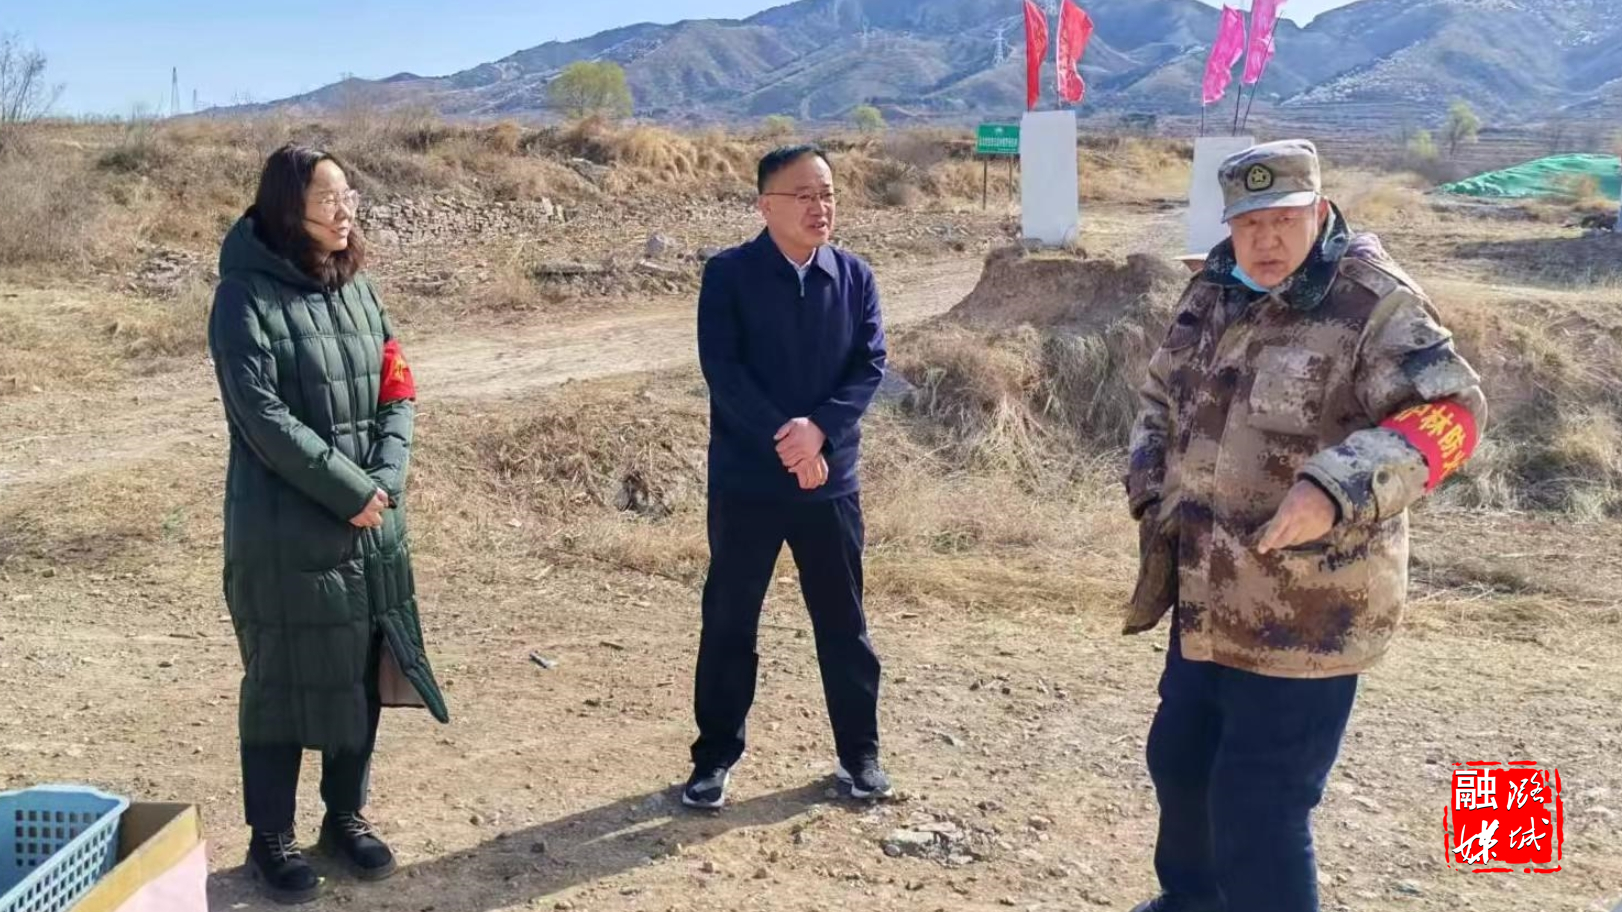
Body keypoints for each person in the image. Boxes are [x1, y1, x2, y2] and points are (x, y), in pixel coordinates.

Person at [1123, 139, 1487, 912]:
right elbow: (1160, 396)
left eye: (1284, 219)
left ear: (1319, 211)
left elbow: (1452, 414)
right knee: (1180, 763)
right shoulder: (1213, 289)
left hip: (1308, 616)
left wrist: (1337, 486)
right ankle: (1190, 901)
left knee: (1259, 807)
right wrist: (1151, 491)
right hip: (1206, 595)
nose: (1265, 239)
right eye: (1249, 222)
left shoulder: (1372, 304)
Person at [208, 143, 449, 905]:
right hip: (284, 529)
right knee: (281, 680)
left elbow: (397, 386)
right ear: (289, 209)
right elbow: (261, 416)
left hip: (371, 520)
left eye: (350, 198)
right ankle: (270, 838)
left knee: (361, 672)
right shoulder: (243, 297)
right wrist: (348, 489)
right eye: (328, 201)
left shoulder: (359, 287)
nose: (345, 214)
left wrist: (385, 480)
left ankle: (345, 816)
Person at [683, 144, 892, 809]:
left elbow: (869, 365)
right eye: (803, 195)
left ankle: (860, 755)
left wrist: (819, 431)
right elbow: (724, 371)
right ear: (765, 206)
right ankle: (714, 757)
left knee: (843, 622)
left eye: (827, 194)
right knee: (730, 620)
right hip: (749, 481)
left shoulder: (854, 276)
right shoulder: (729, 276)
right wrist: (789, 440)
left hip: (829, 481)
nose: (819, 207)